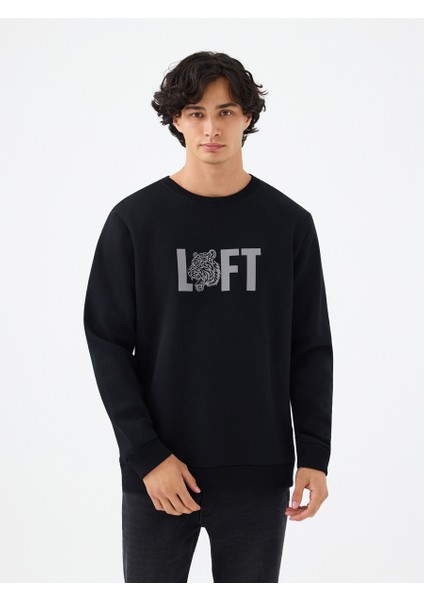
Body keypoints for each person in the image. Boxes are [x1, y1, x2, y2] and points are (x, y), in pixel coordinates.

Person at [83, 50, 334, 583]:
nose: (211, 128)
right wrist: (147, 455)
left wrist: (314, 454)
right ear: (177, 119)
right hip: (160, 475)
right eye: (196, 113)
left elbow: (310, 346)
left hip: (258, 476)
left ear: (248, 117)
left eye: (226, 112)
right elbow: (107, 343)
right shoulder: (135, 221)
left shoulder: (288, 224)